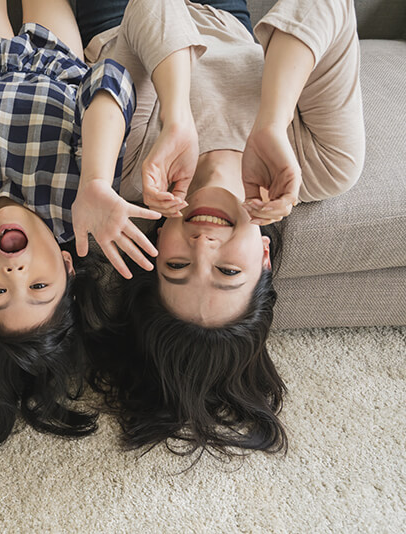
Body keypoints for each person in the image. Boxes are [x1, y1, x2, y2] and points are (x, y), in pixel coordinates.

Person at [78, 0, 365, 456]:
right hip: (228, 12)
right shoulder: (326, 165)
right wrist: (272, 122)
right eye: (227, 272)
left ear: (156, 246)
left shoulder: (133, 168)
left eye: (177, 265)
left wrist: (177, 118)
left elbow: (148, 7)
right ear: (265, 261)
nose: (204, 245)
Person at [0, 0, 162, 445]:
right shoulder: (80, 208)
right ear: (68, 267)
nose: (15, 274)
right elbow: (110, 78)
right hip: (56, 63)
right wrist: (96, 178)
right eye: (38, 287)